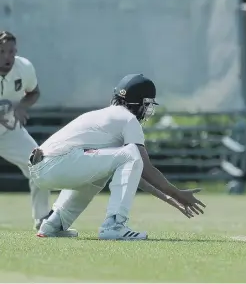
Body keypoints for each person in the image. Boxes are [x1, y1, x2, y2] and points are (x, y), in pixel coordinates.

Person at [29, 74, 206, 240]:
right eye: (148, 104)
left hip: (42, 168)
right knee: (131, 153)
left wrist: (170, 198)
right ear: (140, 103)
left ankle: (54, 224)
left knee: (104, 170)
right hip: (60, 163)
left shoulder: (105, 116)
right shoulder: (128, 119)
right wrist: (176, 193)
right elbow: (144, 167)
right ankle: (114, 226)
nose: (148, 109)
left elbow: (135, 174)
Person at [0, 31, 51, 231]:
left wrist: (21, 106)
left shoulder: (24, 67)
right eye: (2, 51)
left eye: (11, 52)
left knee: (39, 164)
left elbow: (34, 92)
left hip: (9, 132)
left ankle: (42, 219)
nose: (7, 57)